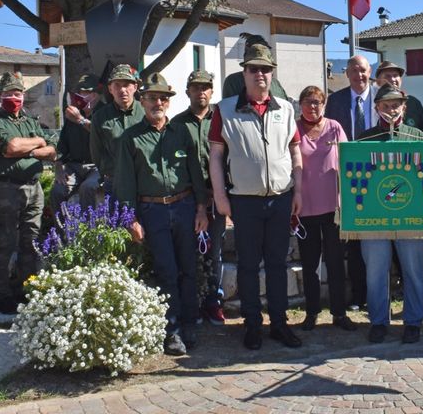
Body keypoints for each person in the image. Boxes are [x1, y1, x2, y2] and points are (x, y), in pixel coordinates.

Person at [208, 44, 303, 350]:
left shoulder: (286, 108)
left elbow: (295, 151)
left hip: (280, 198)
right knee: (248, 265)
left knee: (276, 264)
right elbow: (215, 156)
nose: (260, 74)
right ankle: (252, 325)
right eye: (254, 69)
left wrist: (298, 190)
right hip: (244, 201)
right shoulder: (224, 110)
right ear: (244, 73)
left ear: (272, 73)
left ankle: (279, 324)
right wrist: (221, 197)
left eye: (265, 69)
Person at [117, 73, 209, 356]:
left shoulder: (181, 132)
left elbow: (195, 172)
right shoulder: (130, 138)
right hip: (152, 211)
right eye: (152, 97)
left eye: (163, 98)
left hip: (184, 207)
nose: (158, 102)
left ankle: (190, 323)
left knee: (188, 269)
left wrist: (202, 208)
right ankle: (172, 331)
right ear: (142, 101)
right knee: (166, 272)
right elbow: (125, 181)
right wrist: (130, 218)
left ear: (169, 102)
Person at [356, 84, 423, 344]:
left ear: (404, 107)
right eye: (385, 105)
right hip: (375, 217)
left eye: (395, 105)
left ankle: (413, 321)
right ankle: (378, 320)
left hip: (411, 215)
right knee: (375, 270)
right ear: (376, 108)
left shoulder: (419, 137)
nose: (391, 110)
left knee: (414, 269)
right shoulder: (363, 140)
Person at [0, 72, 56, 313]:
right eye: (8, 94)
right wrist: (37, 143)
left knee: (31, 242)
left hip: (34, 188)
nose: (13, 98)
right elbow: (10, 146)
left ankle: (27, 289)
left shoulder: (30, 121)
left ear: (23, 96)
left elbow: (53, 148)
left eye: (17, 94)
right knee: (4, 243)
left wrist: (30, 149)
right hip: (7, 188)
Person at [295, 85, 355, 332]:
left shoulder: (334, 127)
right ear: (300, 105)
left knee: (335, 262)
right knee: (310, 265)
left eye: (317, 102)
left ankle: (339, 313)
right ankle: (311, 312)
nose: (312, 107)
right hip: (304, 208)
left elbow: (349, 160)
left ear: (324, 104)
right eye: (308, 102)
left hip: (334, 207)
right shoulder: (293, 129)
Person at [171, 70, 226, 326]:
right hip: (189, 197)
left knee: (214, 251)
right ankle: (192, 302)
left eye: (205, 87)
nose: (201, 92)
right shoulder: (177, 124)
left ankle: (213, 301)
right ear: (188, 92)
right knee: (190, 252)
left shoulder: (223, 119)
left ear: (212, 91)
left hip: (217, 195)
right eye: (196, 88)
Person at [325, 55, 376, 310]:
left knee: (381, 236)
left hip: (380, 174)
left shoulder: (383, 98)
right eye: (354, 70)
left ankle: (382, 293)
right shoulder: (335, 101)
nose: (359, 75)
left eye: (363, 70)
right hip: (349, 177)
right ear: (347, 73)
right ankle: (359, 295)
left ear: (370, 72)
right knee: (355, 238)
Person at [90, 64, 144, 197]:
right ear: (110, 88)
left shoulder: (145, 112)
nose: (122, 90)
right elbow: (96, 151)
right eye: (117, 85)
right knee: (117, 217)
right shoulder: (100, 117)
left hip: (143, 180)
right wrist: (106, 172)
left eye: (127, 84)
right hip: (114, 181)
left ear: (135, 87)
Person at [52, 74, 101, 207]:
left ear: (95, 95)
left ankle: (87, 226)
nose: (81, 96)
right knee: (58, 191)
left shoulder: (104, 113)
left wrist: (80, 120)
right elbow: (62, 146)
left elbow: (103, 135)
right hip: (74, 166)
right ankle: (61, 228)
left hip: (97, 167)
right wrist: (58, 167)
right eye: (80, 92)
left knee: (88, 188)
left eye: (86, 93)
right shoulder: (72, 116)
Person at [221, 34, 289, 100]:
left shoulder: (276, 84)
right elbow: (228, 108)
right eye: (253, 69)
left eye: (265, 69)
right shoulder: (233, 81)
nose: (259, 73)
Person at [374, 61, 423, 136]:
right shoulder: (372, 103)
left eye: (395, 75)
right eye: (387, 76)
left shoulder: (414, 103)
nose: (393, 79)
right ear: (378, 81)